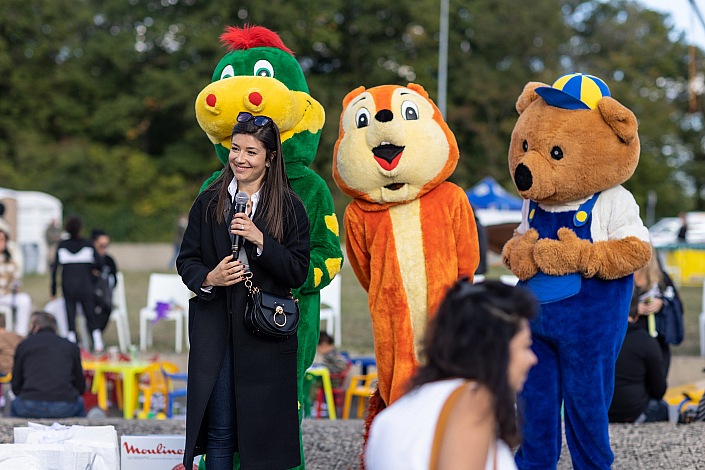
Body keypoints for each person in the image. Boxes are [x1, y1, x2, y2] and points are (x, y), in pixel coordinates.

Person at [177, 112, 310, 470]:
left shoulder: (290, 206)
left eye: (251, 152)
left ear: (269, 157)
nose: (240, 158)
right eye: (236, 149)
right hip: (216, 330)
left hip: (266, 334)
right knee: (220, 432)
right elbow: (186, 260)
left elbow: (298, 270)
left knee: (263, 438)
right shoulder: (209, 201)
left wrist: (260, 239)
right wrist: (210, 277)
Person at [365, 280, 538, 470]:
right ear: (496, 350)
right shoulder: (474, 400)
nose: (532, 359)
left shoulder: (411, 404)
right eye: (525, 346)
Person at [11, 311, 86, 418]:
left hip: (29, 404)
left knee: (14, 404)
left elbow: (16, 384)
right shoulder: (70, 346)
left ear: (36, 327)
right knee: (79, 402)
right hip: (65, 405)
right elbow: (80, 385)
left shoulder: (24, 345)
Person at [51, 215, 103, 352]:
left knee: (70, 315)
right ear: (81, 228)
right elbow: (100, 263)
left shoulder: (62, 245)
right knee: (90, 314)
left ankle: (72, 344)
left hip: (68, 287)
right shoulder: (87, 245)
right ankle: (98, 343)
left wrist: (53, 290)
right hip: (86, 286)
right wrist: (92, 270)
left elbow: (54, 269)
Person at [608, 308, 668, 423]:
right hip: (633, 411)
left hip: (601, 411)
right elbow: (659, 390)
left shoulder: (596, 338)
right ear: (636, 316)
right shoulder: (646, 341)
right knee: (662, 406)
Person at [632, 247, 684, 375]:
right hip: (631, 343)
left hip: (657, 343)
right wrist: (633, 309)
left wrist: (661, 304)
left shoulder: (661, 278)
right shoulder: (622, 278)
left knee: (658, 381)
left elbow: (679, 307)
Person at [0, 220, 33, 336]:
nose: (2, 242)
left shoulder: (10, 258)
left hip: (6, 294)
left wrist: (16, 286)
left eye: (3, 240)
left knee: (24, 300)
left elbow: (16, 278)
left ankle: (20, 335)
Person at [91, 229, 117, 331]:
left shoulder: (109, 260)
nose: (104, 249)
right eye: (101, 245)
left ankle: (97, 332)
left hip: (105, 298)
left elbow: (114, 281)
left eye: (106, 245)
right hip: (90, 298)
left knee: (105, 306)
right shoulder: (88, 260)